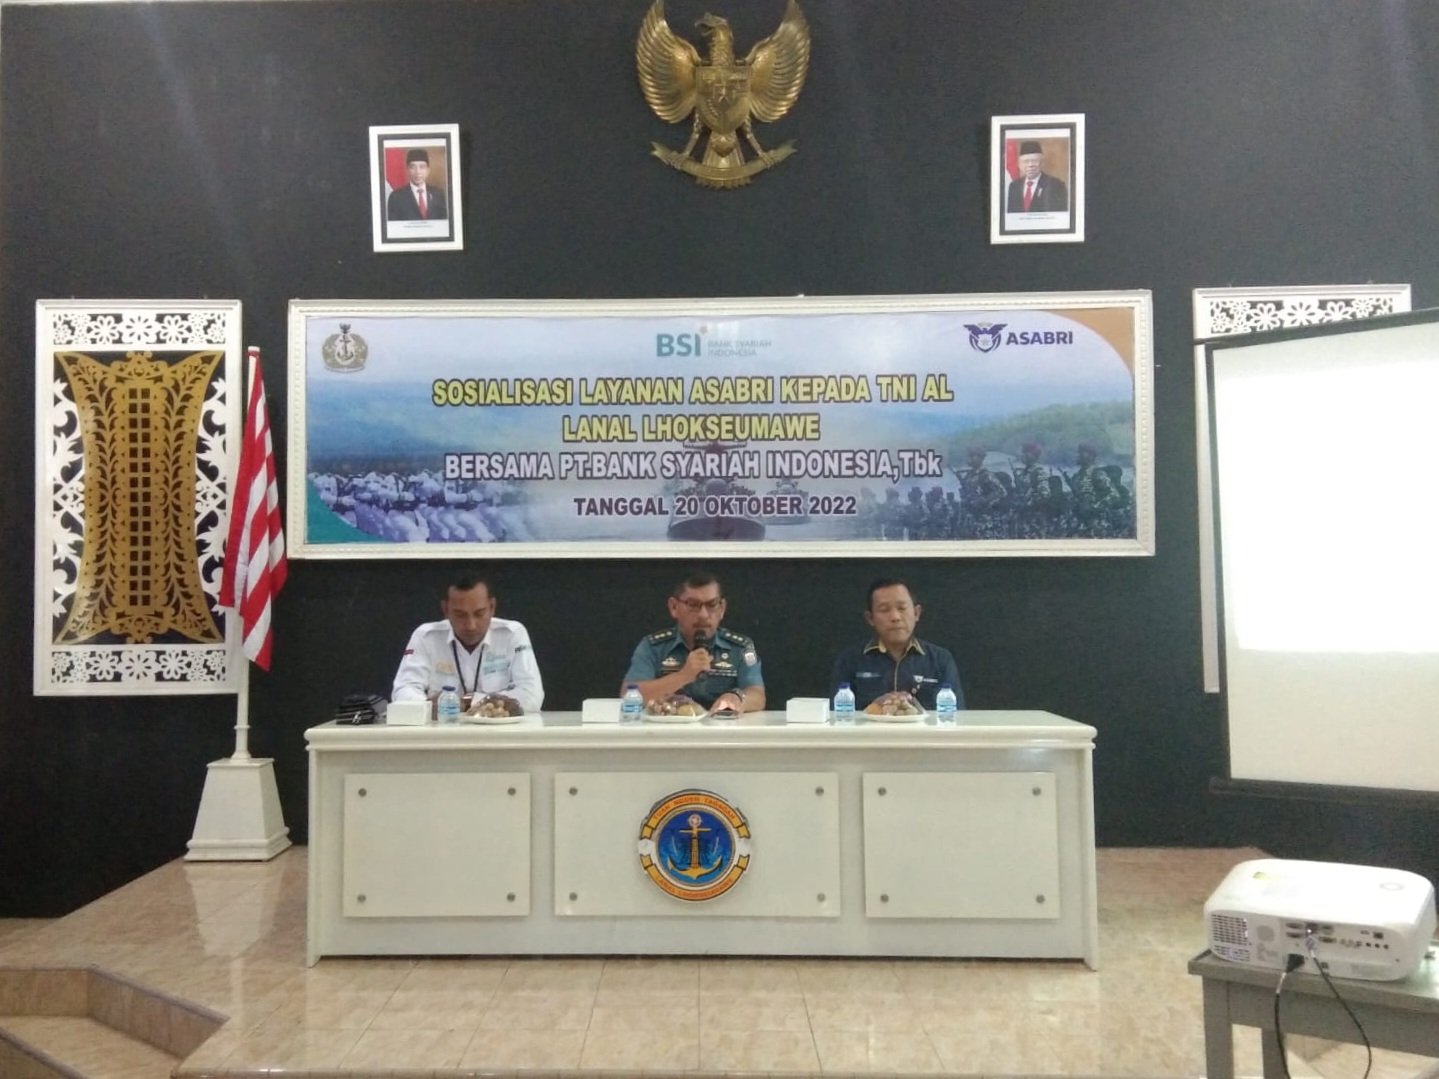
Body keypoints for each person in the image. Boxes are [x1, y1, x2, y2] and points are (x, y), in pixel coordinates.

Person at [392, 572, 543, 712]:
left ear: (492, 607)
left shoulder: (512, 634)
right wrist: (427, 705)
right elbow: (402, 691)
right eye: (460, 615)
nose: (471, 625)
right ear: (445, 610)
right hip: (442, 728)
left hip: (500, 728)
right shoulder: (425, 637)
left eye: (479, 614)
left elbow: (532, 696)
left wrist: (466, 702)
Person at [622, 570, 765, 714]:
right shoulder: (653, 646)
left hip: (722, 726)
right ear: (674, 607)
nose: (703, 615)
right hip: (669, 726)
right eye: (693, 605)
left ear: (722, 608)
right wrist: (683, 676)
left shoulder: (741, 647)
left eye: (712, 605)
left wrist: (737, 697)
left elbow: (757, 695)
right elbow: (629, 694)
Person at [829, 577, 963, 712]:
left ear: (916, 613)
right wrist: (875, 708)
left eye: (902, 608)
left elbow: (958, 715)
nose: (895, 617)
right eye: (884, 610)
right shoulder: (850, 660)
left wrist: (912, 708)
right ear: (870, 618)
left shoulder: (940, 659)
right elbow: (836, 715)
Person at [1006, 139, 1069, 213]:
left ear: (1042, 162)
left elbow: (1060, 215)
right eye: (1026, 161)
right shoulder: (1014, 186)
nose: (1030, 165)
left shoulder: (1056, 185)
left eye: (1034, 161)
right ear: (1019, 164)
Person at [386, 148, 449, 221]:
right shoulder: (396, 197)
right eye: (413, 167)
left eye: (422, 167)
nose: (418, 172)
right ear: (407, 170)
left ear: (428, 170)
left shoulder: (438, 194)